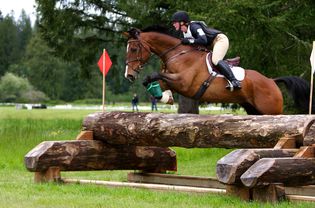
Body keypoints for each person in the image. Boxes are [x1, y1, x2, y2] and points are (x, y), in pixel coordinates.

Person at [171, 11, 241, 89]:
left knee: (215, 60)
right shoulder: (184, 33)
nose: (173, 24)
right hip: (211, 45)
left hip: (219, 40)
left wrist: (189, 41)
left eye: (175, 22)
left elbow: (203, 40)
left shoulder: (194, 27)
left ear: (181, 22)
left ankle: (235, 81)